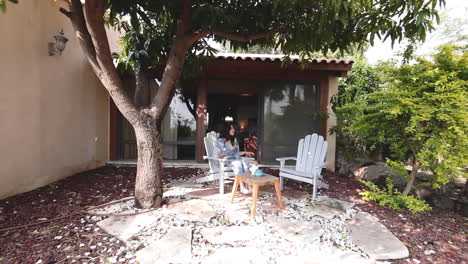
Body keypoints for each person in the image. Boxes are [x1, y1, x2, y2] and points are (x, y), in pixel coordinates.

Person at [215, 122, 255, 194]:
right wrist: (232, 150)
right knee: (238, 163)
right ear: (226, 130)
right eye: (232, 128)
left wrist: (246, 153)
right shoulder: (220, 141)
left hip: (234, 158)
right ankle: (242, 187)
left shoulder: (231, 140)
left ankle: (248, 184)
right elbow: (219, 155)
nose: (233, 130)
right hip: (226, 161)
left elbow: (236, 153)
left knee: (245, 161)